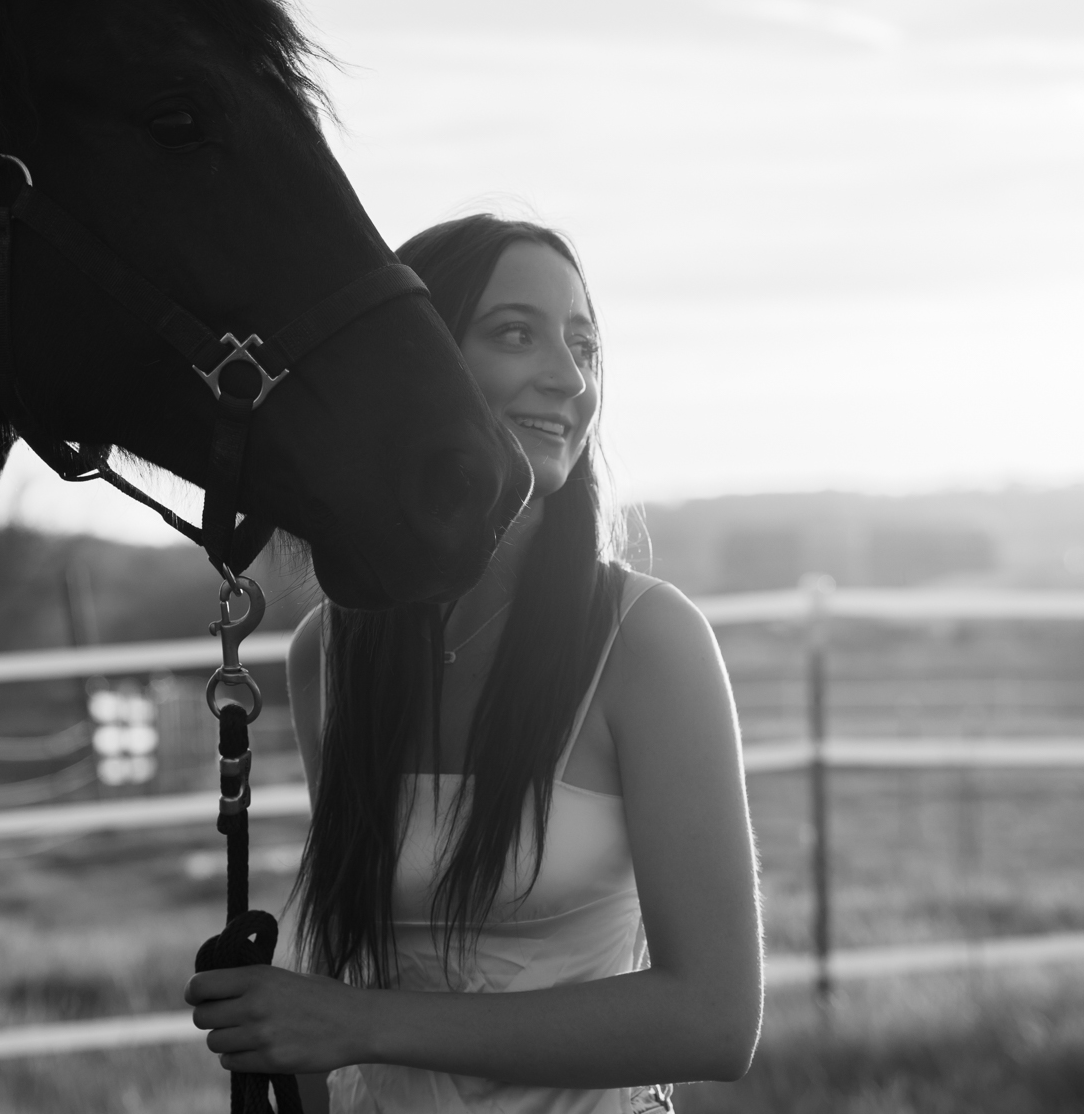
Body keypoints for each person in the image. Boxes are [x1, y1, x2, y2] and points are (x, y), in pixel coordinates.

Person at [185, 214, 763, 1112]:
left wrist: (359, 1021)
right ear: (419, 361)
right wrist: (278, 1026)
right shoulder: (332, 652)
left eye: (584, 344)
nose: (568, 377)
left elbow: (715, 1018)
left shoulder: (647, 641)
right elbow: (350, 964)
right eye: (515, 333)